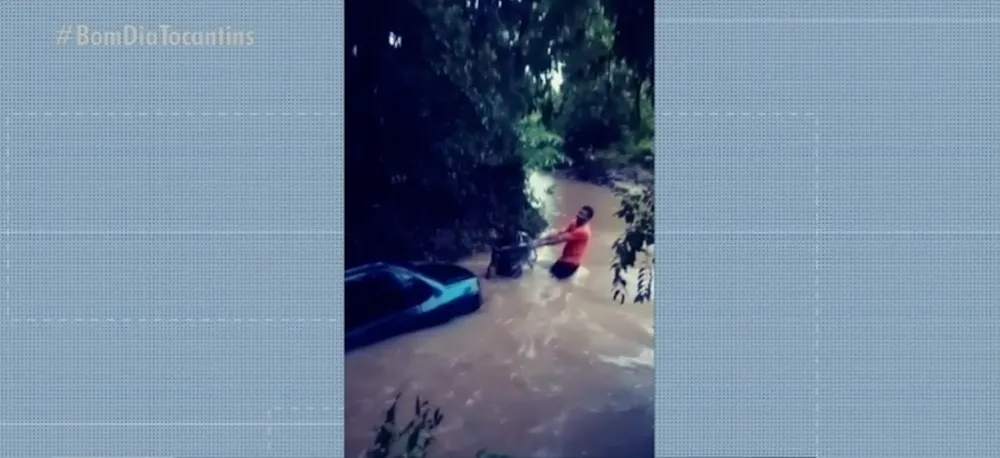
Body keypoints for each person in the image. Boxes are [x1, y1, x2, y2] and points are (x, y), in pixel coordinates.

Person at [533, 205, 594, 280]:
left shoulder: (583, 232)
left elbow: (559, 239)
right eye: (579, 212)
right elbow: (560, 231)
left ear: (588, 219)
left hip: (570, 264)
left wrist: (541, 243)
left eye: (582, 215)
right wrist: (543, 237)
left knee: (551, 280)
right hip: (563, 259)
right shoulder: (575, 222)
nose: (578, 215)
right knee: (549, 274)